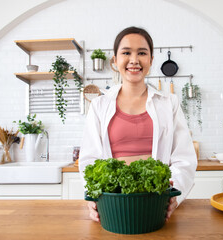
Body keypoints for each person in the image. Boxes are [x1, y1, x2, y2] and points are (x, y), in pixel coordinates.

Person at [79, 26, 197, 222]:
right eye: (126, 53)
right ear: (115, 61)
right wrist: (94, 197)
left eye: (142, 53)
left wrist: (173, 195)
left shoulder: (170, 103)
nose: (134, 60)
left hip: (156, 201)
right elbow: (89, 160)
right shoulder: (100, 105)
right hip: (112, 203)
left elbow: (184, 158)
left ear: (150, 60)